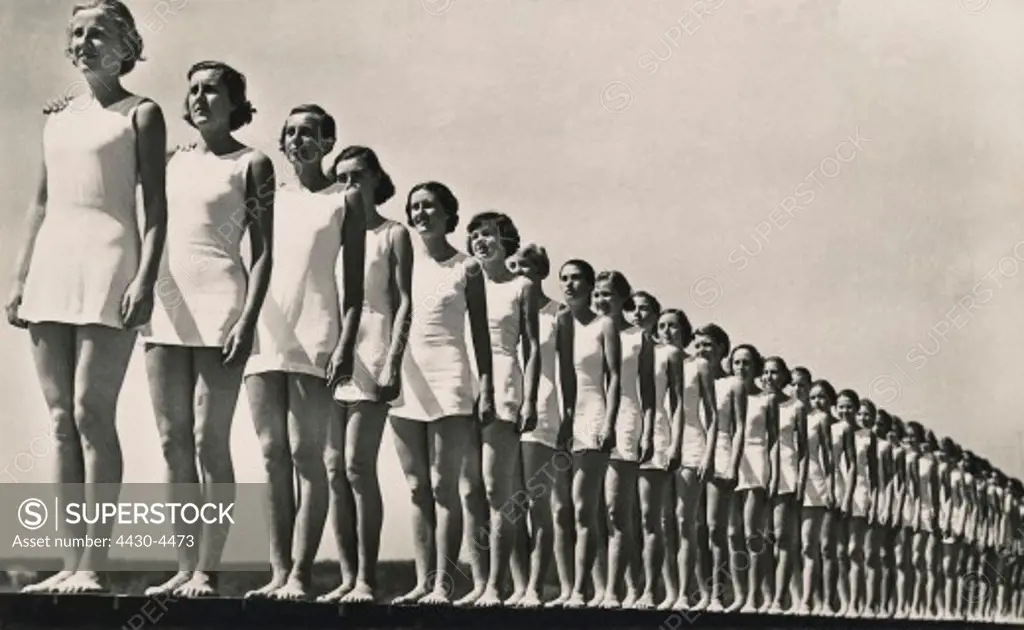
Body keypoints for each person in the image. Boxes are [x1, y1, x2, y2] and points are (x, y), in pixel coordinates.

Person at [9, 0, 167, 594]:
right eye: (76, 33)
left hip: (110, 263)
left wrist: (146, 277)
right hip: (53, 265)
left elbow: (157, 205)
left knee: (90, 412)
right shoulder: (57, 118)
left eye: (98, 32)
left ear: (126, 44)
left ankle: (95, 566)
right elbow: (43, 203)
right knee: (58, 421)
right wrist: (21, 278)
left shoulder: (142, 114)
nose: (84, 42)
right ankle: (68, 564)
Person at [135, 60, 272, 598]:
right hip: (167, 307)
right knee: (172, 441)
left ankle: (209, 572)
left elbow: (263, 254)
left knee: (207, 438)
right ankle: (183, 563)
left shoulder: (252, 163)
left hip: (222, 306)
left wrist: (248, 317)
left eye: (211, 90)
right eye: (191, 90)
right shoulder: (169, 160)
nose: (198, 98)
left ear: (235, 102)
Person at [241, 108, 366, 601]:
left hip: (317, 334)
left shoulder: (346, 198)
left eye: (309, 132)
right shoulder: (268, 194)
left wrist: (345, 343)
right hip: (264, 332)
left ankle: (300, 574)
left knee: (306, 455)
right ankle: (276, 572)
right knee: (272, 455)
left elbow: (353, 288)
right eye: (290, 132)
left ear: (328, 141)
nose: (298, 140)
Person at [388, 182, 494, 606]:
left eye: (429, 206)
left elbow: (482, 336)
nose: (420, 213)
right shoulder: (402, 259)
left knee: (443, 485)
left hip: (450, 378)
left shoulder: (467, 267)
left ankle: (444, 584)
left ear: (448, 213)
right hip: (406, 380)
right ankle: (422, 580)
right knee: (416, 487)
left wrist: (484, 387)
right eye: (414, 207)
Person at [320, 146, 412, 604]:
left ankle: (367, 579)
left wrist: (393, 360)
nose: (349, 185)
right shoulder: (331, 231)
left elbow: (403, 302)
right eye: (340, 178)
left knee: (358, 465)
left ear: (376, 177)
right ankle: (345, 575)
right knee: (333, 468)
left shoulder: (393, 233)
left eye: (357, 176)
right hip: (327, 348)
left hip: (372, 347)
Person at [460, 212, 540, 608]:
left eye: (488, 234)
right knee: (469, 490)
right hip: (463, 383)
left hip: (506, 382)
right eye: (473, 235)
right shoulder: (463, 280)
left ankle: (498, 584)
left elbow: (533, 347)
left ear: (505, 239)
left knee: (498, 491)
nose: (479, 241)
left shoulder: (521, 286)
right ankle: (478, 583)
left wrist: (530, 399)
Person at [508, 244, 574, 608]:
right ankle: (518, 585)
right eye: (513, 266)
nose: (519, 273)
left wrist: (568, 416)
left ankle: (535, 586)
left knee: (537, 502)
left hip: (544, 411)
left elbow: (567, 373)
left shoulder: (557, 313)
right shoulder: (501, 309)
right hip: (505, 409)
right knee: (508, 503)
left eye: (527, 267)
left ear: (541, 271)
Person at [558, 259, 620, 609]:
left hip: (592, 416)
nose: (569, 285)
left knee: (585, 508)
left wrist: (608, 423)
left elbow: (613, 378)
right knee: (559, 509)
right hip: (559, 419)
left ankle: (582, 591)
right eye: (564, 279)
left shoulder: (604, 324)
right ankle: (569, 588)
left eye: (576, 278)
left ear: (589, 283)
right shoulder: (559, 321)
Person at [691, 323, 743, 612]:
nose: (701, 350)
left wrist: (732, 465)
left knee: (715, 528)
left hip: (720, 455)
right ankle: (701, 592)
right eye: (697, 345)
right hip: (692, 453)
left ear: (722, 348)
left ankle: (718, 594)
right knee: (695, 527)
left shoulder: (732, 384)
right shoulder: (691, 378)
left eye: (708, 345)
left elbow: (739, 429)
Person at [726, 344, 776, 613]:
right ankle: (739, 594)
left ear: (755, 366)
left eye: (746, 363)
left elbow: (775, 440)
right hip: (727, 461)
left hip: (755, 461)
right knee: (732, 533)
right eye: (736, 362)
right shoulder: (724, 391)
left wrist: (773, 473)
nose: (741, 368)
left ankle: (755, 596)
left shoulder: (766, 399)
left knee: (752, 534)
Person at [763, 356, 806, 614]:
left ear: (784, 377)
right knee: (760, 539)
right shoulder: (756, 401)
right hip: (759, 472)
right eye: (765, 372)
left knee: (781, 537)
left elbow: (803, 451)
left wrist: (800, 482)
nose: (769, 377)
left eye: (775, 373)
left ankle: (781, 598)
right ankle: (767, 597)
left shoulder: (796, 407)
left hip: (787, 474)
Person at [797, 379, 836, 615]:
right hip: (796, 482)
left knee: (823, 547)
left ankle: (823, 601)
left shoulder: (823, 420)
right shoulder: (801, 415)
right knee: (803, 545)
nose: (817, 402)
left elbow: (829, 459)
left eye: (821, 397)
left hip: (817, 484)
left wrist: (830, 489)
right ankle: (803, 599)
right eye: (813, 397)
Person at [847, 398, 878, 617]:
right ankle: (841, 601)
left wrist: (875, 502)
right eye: (860, 414)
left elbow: (875, 475)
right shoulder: (835, 428)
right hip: (837, 490)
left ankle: (860, 604)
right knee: (838, 550)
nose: (862, 418)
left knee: (855, 550)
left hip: (860, 491)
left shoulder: (868, 437)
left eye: (867, 414)